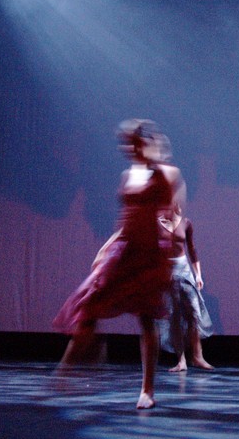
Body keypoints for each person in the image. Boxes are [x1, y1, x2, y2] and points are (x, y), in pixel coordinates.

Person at [53, 119, 185, 409]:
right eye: (127, 143)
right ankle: (67, 371)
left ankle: (147, 390)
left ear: (148, 143)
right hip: (124, 249)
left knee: (147, 317)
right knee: (89, 303)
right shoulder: (128, 175)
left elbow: (173, 217)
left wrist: (170, 257)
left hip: (150, 253)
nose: (130, 148)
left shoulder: (167, 174)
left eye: (135, 142)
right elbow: (127, 217)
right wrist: (107, 245)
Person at [157, 204, 214, 372]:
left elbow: (192, 249)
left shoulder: (186, 223)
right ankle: (181, 360)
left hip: (184, 271)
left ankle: (197, 357)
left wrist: (198, 275)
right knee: (174, 315)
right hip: (168, 271)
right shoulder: (157, 223)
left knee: (193, 313)